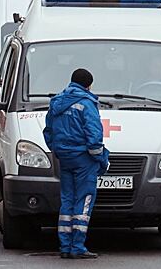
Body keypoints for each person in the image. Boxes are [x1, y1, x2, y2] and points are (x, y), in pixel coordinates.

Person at [43, 68, 110, 259]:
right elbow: (94, 136)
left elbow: (48, 132)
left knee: (67, 200)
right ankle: (77, 246)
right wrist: (101, 159)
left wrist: (58, 150)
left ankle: (65, 246)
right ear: (88, 85)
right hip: (83, 159)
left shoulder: (57, 102)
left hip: (65, 158)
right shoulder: (86, 103)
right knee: (84, 200)